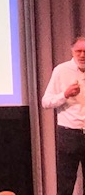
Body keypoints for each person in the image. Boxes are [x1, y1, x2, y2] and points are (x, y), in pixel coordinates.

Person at [42, 36, 85, 195]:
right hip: (69, 134)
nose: (82, 55)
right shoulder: (61, 70)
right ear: (72, 51)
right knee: (66, 183)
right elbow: (46, 102)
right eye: (78, 51)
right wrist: (65, 94)